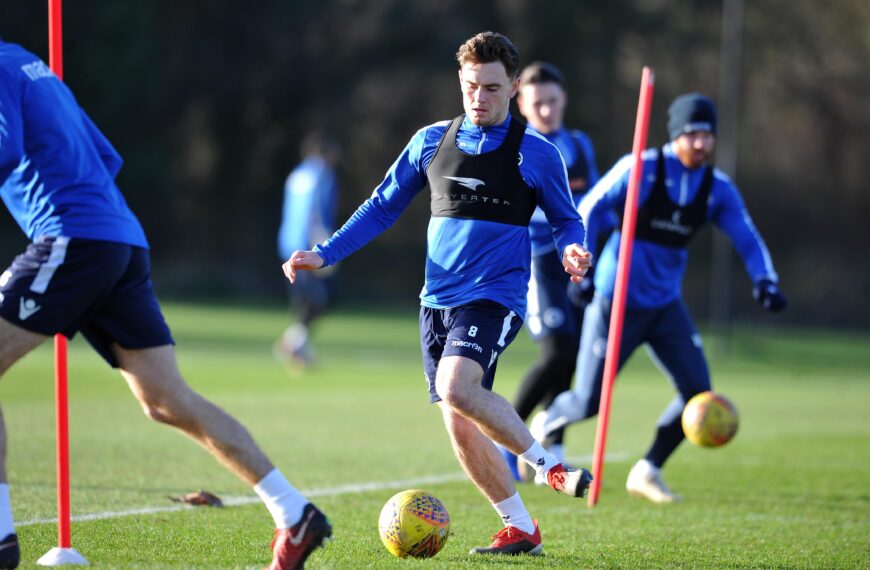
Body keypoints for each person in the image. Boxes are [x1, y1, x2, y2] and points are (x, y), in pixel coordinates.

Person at [0, 40, 330, 570]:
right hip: (121, 241)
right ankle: (294, 512)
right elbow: (107, 156)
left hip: (73, 238)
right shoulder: (23, 62)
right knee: (165, 400)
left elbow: (5, 152)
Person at [284, 32, 593, 556]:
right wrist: (326, 252)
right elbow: (382, 206)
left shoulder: (537, 153)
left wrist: (572, 251)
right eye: (471, 86)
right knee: (460, 421)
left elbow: (567, 219)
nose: (480, 97)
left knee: (455, 388)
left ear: (514, 87)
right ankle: (520, 528)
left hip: (495, 297)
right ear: (460, 81)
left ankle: (551, 468)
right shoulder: (430, 141)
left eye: (493, 88)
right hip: (436, 301)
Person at [530, 93, 788, 503]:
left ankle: (647, 470)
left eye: (708, 135)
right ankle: (546, 424)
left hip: (665, 306)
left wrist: (764, 280)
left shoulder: (715, 187)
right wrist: (586, 268)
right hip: (616, 301)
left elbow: (747, 235)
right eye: (693, 134)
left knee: (698, 393)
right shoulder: (642, 168)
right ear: (676, 135)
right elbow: (591, 208)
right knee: (589, 401)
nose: (702, 144)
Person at [500, 62, 601, 481]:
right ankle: (504, 440)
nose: (545, 110)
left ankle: (552, 450)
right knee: (557, 352)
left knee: (573, 355)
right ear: (520, 102)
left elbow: (594, 202)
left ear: (564, 101)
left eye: (552, 101)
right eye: (536, 103)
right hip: (538, 259)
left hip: (574, 260)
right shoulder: (514, 147)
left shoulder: (578, 145)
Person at [274, 131, 341, 368]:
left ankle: (297, 346)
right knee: (322, 299)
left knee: (304, 300)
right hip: (311, 245)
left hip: (287, 241)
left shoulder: (297, 174)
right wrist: (324, 247)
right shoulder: (323, 174)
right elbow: (318, 212)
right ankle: (294, 342)